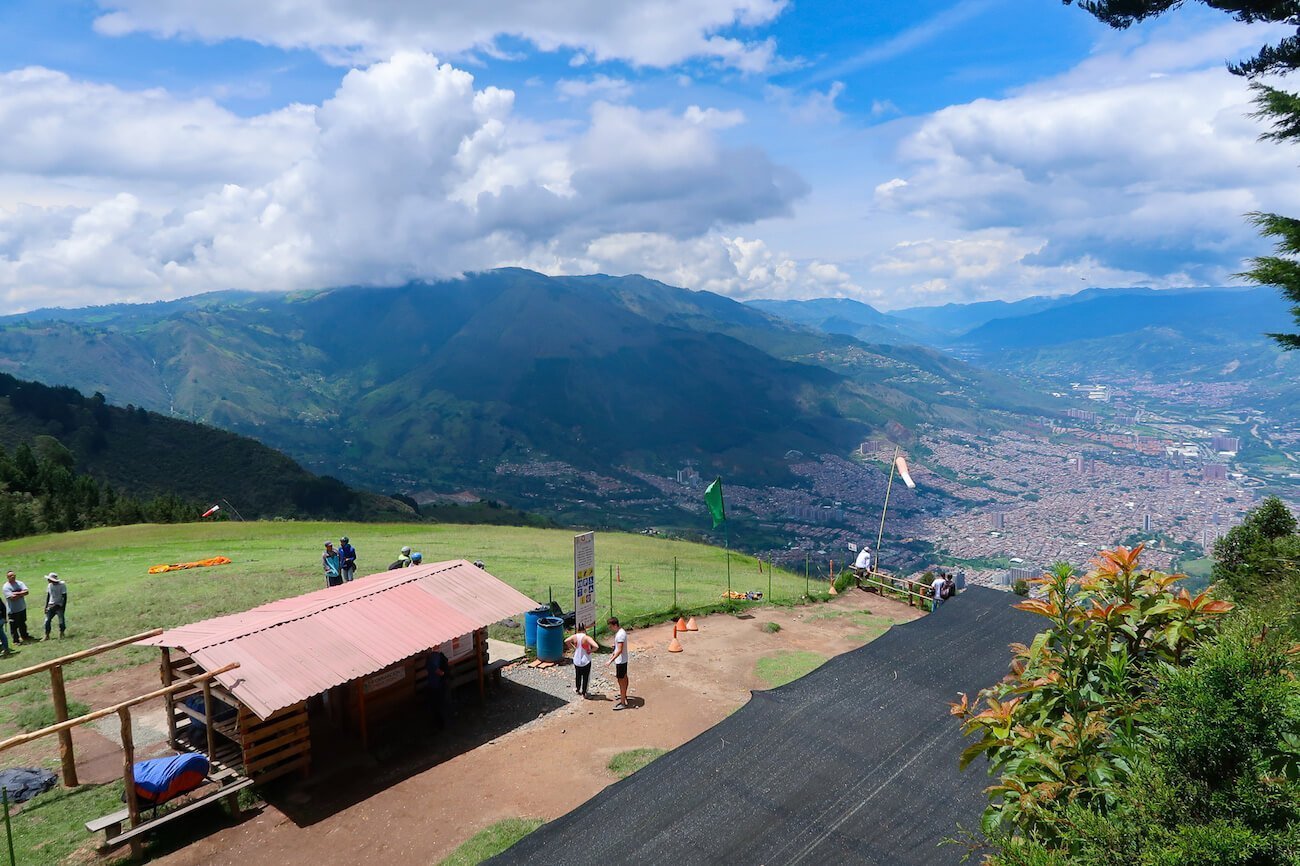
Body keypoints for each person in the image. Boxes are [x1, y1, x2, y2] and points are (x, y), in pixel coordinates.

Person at [566, 626, 598, 699]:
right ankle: (584, 692)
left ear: (577, 630)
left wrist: (572, 647)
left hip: (577, 660)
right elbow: (596, 646)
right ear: (584, 630)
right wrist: (591, 650)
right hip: (586, 660)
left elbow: (566, 641)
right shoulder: (587, 638)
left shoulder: (574, 637)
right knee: (586, 677)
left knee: (578, 675)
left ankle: (577, 689)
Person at [3, 571, 32, 644]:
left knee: (22, 623)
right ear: (7, 577)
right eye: (10, 576)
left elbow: (27, 592)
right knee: (14, 626)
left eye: (13, 575)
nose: (13, 577)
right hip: (13, 610)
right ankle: (16, 640)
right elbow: (12, 598)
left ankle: (25, 636)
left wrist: (16, 593)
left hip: (22, 608)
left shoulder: (20, 583)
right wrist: (21, 593)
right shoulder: (6, 587)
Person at [607, 617, 630, 710]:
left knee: (621, 681)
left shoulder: (620, 635)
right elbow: (619, 646)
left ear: (615, 625)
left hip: (620, 661)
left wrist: (610, 660)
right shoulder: (621, 632)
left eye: (610, 627)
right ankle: (624, 695)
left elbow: (620, 650)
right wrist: (615, 646)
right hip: (623, 660)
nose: (610, 628)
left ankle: (623, 702)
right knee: (624, 677)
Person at [426, 645, 451, 728]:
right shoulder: (437, 655)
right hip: (443, 683)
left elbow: (439, 672)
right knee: (443, 704)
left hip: (436, 686)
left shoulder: (431, 660)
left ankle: (440, 725)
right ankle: (445, 722)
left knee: (437, 706)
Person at [43, 573, 68, 640]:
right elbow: (48, 596)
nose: (48, 580)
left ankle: (62, 633)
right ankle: (47, 635)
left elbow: (64, 596)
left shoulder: (62, 585)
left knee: (61, 621)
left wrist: (63, 607)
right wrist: (46, 606)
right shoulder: (49, 586)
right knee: (47, 621)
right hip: (51, 605)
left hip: (59, 606)